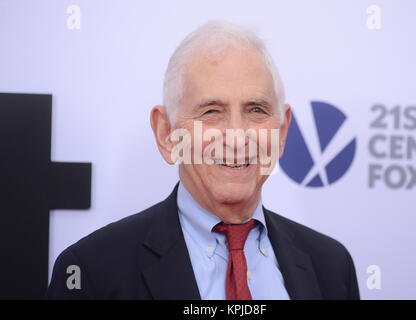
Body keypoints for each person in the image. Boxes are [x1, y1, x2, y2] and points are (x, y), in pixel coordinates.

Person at [46, 20, 360, 300]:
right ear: (167, 133)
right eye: (211, 112)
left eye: (256, 110)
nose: (237, 136)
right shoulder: (91, 272)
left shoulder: (332, 266)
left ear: (281, 131)